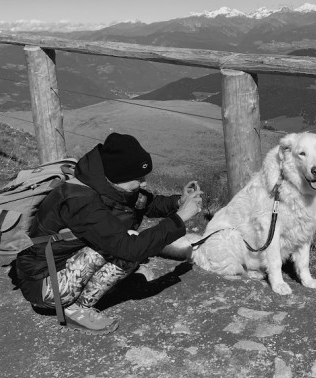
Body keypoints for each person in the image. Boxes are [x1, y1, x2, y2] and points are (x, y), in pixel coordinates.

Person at [15, 132, 203, 335]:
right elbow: (131, 249)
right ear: (117, 176)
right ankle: (75, 310)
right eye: (138, 178)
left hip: (63, 263)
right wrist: (180, 218)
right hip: (46, 285)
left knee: (128, 246)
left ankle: (86, 293)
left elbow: (145, 203)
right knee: (130, 246)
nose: (144, 183)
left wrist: (177, 203)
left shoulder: (109, 183)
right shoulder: (81, 201)